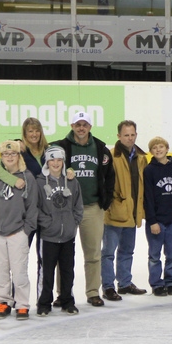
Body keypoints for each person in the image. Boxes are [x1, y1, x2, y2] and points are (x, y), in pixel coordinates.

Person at [54, 111, 115, 308]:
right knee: (63, 254)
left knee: (93, 254)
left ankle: (92, 292)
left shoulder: (100, 149)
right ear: (72, 126)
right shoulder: (61, 147)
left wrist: (104, 201)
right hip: (66, 210)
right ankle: (63, 294)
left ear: (90, 127)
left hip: (92, 208)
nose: (81, 128)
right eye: (77, 124)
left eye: (85, 124)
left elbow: (109, 176)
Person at [0, 140, 38, 320]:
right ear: (1, 157)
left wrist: (26, 230)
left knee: (19, 271)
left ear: (18, 156)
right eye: (6, 154)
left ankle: (22, 304)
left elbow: (32, 206)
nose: (10, 157)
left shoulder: (27, 177)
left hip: (17, 232)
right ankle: (3, 301)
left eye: (13, 154)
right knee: (1, 270)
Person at [0, 117, 48, 280]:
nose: (34, 134)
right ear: (24, 133)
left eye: (37, 130)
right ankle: (16, 294)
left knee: (45, 258)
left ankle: (42, 297)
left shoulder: (48, 150)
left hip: (45, 211)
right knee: (19, 257)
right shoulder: (18, 148)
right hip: (25, 212)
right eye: (30, 131)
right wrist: (13, 180)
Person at [101, 120, 149, 301]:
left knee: (127, 251)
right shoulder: (111, 156)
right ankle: (108, 286)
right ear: (118, 136)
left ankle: (124, 283)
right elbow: (105, 183)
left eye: (132, 134)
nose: (129, 138)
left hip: (132, 211)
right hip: (115, 212)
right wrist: (112, 203)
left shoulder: (141, 158)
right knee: (108, 252)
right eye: (126, 135)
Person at [35, 145, 83, 316]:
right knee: (46, 271)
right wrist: (47, 223)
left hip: (68, 235)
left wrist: (73, 222)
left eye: (59, 159)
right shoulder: (39, 182)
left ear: (63, 161)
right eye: (52, 159)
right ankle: (43, 303)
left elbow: (78, 204)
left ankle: (67, 301)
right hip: (48, 236)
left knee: (68, 270)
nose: (56, 163)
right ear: (47, 161)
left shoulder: (71, 180)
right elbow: (35, 207)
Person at [143, 136, 172, 296]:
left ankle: (170, 282)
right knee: (155, 256)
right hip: (156, 221)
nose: (158, 150)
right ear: (151, 152)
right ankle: (156, 284)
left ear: (167, 149)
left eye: (161, 147)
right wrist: (152, 221)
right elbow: (148, 197)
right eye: (155, 148)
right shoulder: (149, 170)